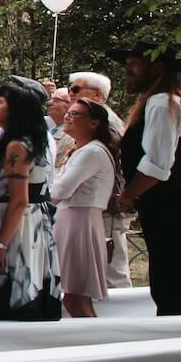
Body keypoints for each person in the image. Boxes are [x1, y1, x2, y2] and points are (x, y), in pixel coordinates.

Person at [115, 44, 181, 315]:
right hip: (172, 200)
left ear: (157, 67)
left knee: (172, 282)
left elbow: (157, 165)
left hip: (169, 202)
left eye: (134, 63)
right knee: (173, 277)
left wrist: (128, 194)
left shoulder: (163, 103)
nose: (128, 70)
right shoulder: (169, 101)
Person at [0, 76, 63, 322]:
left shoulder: (17, 146)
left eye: (2, 101)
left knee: (14, 285)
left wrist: (1, 245)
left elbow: (19, 199)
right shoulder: (37, 138)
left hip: (17, 223)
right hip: (35, 219)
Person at [50, 98, 119, 318]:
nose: (68, 117)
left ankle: (98, 345)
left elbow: (59, 190)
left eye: (75, 114)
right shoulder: (81, 149)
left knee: (75, 297)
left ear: (94, 123)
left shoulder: (93, 152)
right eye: (68, 113)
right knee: (74, 297)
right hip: (72, 219)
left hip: (79, 221)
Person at [67, 70, 130, 287]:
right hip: (96, 202)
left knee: (112, 269)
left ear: (97, 95)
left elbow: (113, 164)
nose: (70, 93)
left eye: (75, 89)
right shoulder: (93, 118)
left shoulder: (106, 121)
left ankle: (124, 318)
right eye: (69, 89)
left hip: (106, 204)